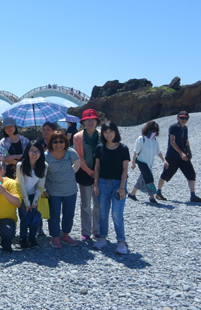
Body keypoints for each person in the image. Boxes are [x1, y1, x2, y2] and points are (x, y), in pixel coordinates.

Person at [93, 121, 130, 254]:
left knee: (117, 213)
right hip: (102, 182)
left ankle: (121, 241)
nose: (108, 134)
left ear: (116, 132)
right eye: (106, 132)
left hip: (118, 184)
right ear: (102, 133)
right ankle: (102, 238)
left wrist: (121, 187)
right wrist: (96, 184)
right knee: (103, 213)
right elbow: (97, 168)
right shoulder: (99, 148)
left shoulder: (123, 148)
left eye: (111, 131)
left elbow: (125, 169)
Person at [156, 111, 201, 203]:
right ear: (177, 118)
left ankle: (193, 196)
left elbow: (186, 141)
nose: (184, 120)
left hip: (183, 156)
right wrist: (180, 153)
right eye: (182, 118)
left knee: (191, 173)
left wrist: (189, 152)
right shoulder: (173, 127)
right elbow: (172, 141)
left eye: (186, 118)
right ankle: (158, 193)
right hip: (172, 156)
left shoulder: (185, 128)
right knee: (166, 174)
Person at [45, 130, 82, 249]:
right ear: (51, 143)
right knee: (54, 214)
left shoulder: (70, 153)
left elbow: (77, 164)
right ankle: (55, 237)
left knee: (69, 214)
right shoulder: (46, 155)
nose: (58, 144)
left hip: (70, 190)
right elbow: (42, 173)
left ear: (65, 142)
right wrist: (44, 188)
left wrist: (70, 173)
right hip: (53, 190)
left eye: (61, 141)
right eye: (55, 141)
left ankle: (66, 235)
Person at [72, 109, 102, 241]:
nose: (90, 122)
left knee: (98, 204)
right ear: (83, 122)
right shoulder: (77, 137)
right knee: (85, 204)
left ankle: (97, 229)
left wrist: (98, 172)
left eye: (92, 119)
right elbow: (79, 156)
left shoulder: (102, 134)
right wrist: (91, 172)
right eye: (87, 120)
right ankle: (85, 231)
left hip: (101, 173)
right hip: (84, 173)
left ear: (97, 121)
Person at [15, 142, 47, 248]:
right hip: (22, 194)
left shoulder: (44, 166)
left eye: (37, 151)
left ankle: (32, 238)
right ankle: (23, 238)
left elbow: (41, 186)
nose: (34, 153)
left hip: (34, 193)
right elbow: (21, 186)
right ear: (27, 151)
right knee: (24, 217)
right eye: (32, 150)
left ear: (41, 153)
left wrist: (35, 202)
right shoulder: (20, 166)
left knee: (35, 216)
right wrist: (27, 203)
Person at [128, 121, 169, 204]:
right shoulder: (141, 139)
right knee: (149, 178)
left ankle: (132, 193)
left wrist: (164, 160)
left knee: (143, 177)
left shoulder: (154, 140)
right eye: (152, 130)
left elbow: (158, 151)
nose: (153, 132)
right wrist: (132, 163)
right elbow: (135, 152)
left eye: (155, 131)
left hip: (150, 163)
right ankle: (152, 197)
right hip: (141, 162)